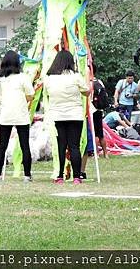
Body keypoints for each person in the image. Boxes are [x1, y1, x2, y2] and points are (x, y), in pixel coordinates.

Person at [44, 50, 89, 185]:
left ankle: (59, 176)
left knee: (61, 145)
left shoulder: (50, 78)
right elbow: (86, 92)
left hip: (58, 115)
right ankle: (76, 177)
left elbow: (47, 93)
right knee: (74, 146)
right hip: (75, 114)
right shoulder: (76, 77)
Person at [0, 52, 34, 182]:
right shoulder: (23, 77)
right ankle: (27, 175)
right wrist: (23, 100)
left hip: (6, 115)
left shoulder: (1, 80)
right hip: (21, 115)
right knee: (24, 145)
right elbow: (31, 95)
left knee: (2, 146)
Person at [89, 64, 108, 160]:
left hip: (92, 110)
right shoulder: (99, 81)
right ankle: (106, 153)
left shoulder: (89, 82)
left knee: (94, 133)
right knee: (100, 133)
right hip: (99, 110)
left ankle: (96, 154)